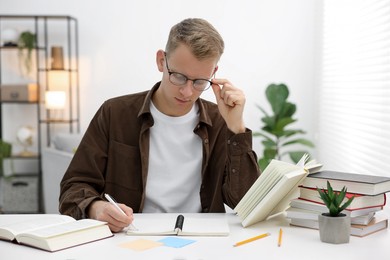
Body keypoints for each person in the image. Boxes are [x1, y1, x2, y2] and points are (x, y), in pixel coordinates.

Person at [59, 18, 260, 232]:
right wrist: (96, 207)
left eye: (200, 82)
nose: (187, 92)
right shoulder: (114, 113)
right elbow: (73, 187)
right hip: (130, 236)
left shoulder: (220, 120)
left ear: (214, 73)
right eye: (179, 77)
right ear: (161, 61)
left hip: (201, 240)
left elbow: (247, 204)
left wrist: (237, 128)